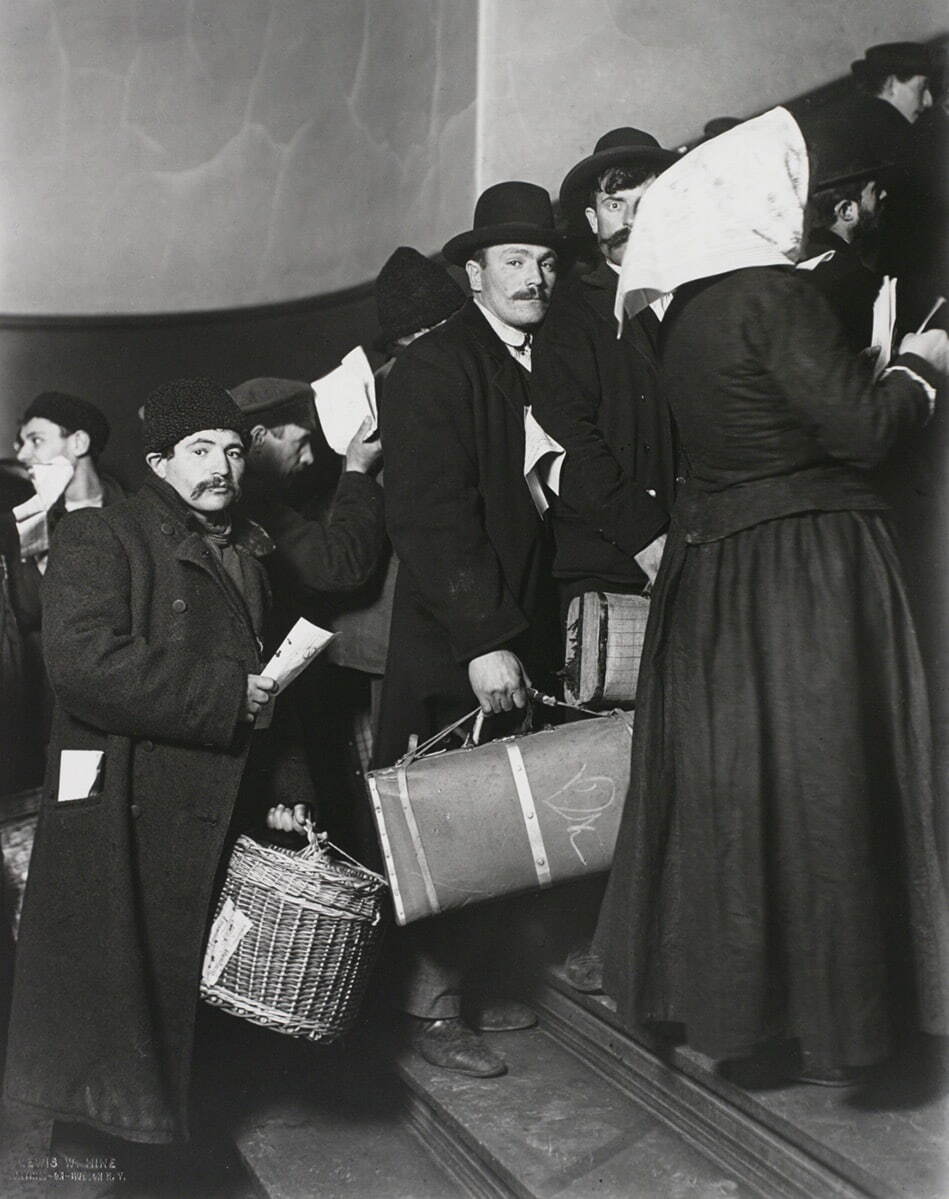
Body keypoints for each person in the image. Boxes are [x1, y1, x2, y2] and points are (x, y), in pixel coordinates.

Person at [595, 107, 949, 1085]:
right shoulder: (773, 298)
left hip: (724, 572)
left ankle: (753, 1017)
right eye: (856, 193)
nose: (869, 207)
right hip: (809, 567)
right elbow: (866, 432)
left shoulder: (685, 312)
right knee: (831, 790)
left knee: (751, 802)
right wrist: (925, 364)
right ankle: (859, 1027)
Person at [3, 379, 384, 1169]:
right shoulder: (101, 535)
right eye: (201, 450)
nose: (223, 467)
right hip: (127, 797)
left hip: (218, 789)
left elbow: (272, 688)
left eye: (235, 449)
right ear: (159, 462)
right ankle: (102, 1151)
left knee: (182, 981)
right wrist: (223, 696)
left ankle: (167, 1143)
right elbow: (82, 666)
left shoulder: (250, 547)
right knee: (116, 985)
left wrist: (287, 793)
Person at [374, 182, 570, 1077]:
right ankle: (430, 1007)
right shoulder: (432, 367)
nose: (535, 276)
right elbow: (429, 516)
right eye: (515, 261)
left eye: (545, 260)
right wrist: (483, 637)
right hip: (458, 633)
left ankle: (481, 984)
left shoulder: (552, 354)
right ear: (475, 272)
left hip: (521, 623)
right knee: (439, 821)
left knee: (502, 812)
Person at [532, 127, 679, 615]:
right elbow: (569, 442)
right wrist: (646, 538)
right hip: (617, 566)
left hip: (696, 552)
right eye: (616, 204)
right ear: (594, 218)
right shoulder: (570, 313)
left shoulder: (699, 298)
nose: (631, 220)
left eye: (647, 201)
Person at [800, 138, 889, 353]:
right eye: (875, 191)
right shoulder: (854, 279)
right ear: (847, 211)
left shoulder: (802, 261)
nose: (884, 195)